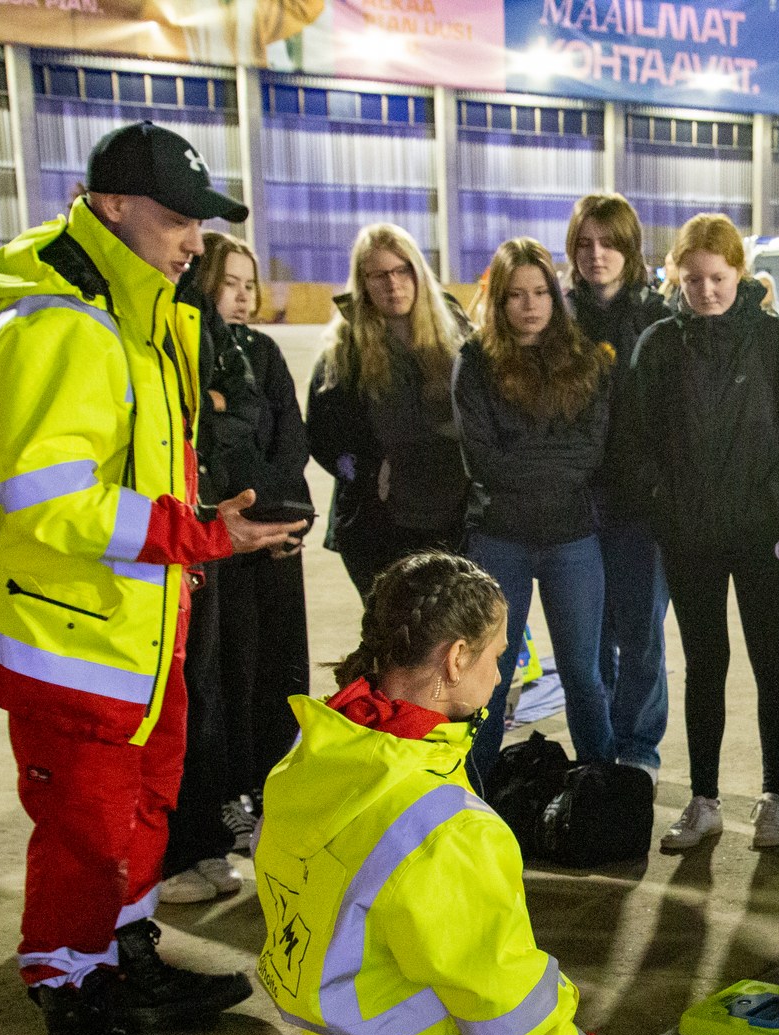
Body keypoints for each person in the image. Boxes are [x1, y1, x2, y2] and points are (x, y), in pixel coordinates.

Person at [0, 121, 307, 1035]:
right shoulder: (61, 325)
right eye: (177, 220)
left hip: (134, 630)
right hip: (70, 641)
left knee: (140, 817)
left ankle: (123, 956)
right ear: (114, 209)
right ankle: (77, 1015)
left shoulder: (137, 317)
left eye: (200, 225)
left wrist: (193, 539)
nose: (194, 243)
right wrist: (198, 534)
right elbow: (50, 504)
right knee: (84, 838)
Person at [255, 552, 681, 1035]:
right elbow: (507, 1014)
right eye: (497, 653)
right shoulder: (441, 824)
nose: (505, 669)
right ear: (455, 659)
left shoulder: (319, 752)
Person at [626, 214, 779, 851]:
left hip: (765, 536)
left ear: (739, 274)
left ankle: (774, 796)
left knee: (775, 664)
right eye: (693, 279)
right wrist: (666, 505)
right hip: (691, 537)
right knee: (704, 664)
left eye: (717, 277)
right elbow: (636, 443)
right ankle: (705, 799)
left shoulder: (777, 342)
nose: (706, 290)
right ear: (676, 278)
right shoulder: (658, 346)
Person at [158, 231, 313, 903]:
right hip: (212, 538)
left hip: (267, 536)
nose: (244, 295)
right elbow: (201, 438)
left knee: (276, 675)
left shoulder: (264, 351)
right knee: (215, 686)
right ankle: (204, 825)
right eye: (232, 281)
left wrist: (283, 517)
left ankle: (264, 806)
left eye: (251, 283)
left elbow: (288, 438)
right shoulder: (183, 347)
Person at [455, 237, 617, 784]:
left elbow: (590, 452)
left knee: (583, 674)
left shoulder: (586, 361)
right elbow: (482, 459)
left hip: (572, 538)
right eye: (516, 294)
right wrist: (545, 462)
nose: (530, 305)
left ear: (555, 295)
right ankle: (475, 792)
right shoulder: (474, 363)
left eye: (540, 292)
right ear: (498, 302)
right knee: (491, 677)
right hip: (500, 540)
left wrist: (526, 459)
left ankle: (602, 786)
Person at [567, 194, 673, 780]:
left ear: (630, 251)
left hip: (642, 509)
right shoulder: (556, 321)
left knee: (640, 635)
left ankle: (639, 750)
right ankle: (599, 743)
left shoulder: (659, 320)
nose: (596, 254)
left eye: (609, 243)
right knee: (588, 641)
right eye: (584, 243)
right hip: (576, 508)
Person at [308, 223, 468, 598]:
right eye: (378, 275)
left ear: (418, 273)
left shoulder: (457, 338)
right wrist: (364, 469)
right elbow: (321, 434)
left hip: (452, 522)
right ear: (362, 284)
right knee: (397, 640)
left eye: (401, 270)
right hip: (378, 526)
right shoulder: (343, 353)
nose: (393, 284)